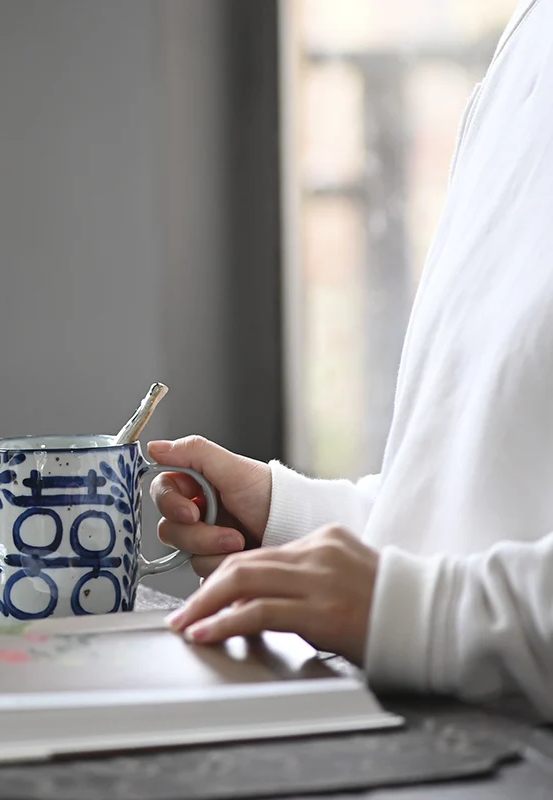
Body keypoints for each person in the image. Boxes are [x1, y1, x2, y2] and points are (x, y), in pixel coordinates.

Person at [149, 0, 553, 718]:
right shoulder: (528, 46)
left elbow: (450, 607)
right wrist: (294, 522)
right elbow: (482, 516)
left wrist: (410, 614)